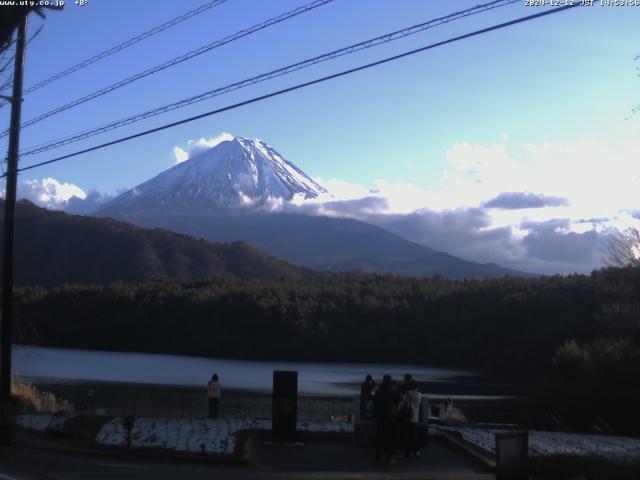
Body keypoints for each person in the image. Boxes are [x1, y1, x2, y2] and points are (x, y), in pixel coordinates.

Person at [373, 374, 400, 464]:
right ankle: (389, 457)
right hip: (390, 418)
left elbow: (374, 406)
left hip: (381, 418)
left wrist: (374, 416)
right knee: (390, 438)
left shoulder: (378, 392)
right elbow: (398, 400)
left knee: (379, 438)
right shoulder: (392, 392)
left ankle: (377, 457)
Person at [398, 379, 422, 459]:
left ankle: (407, 452)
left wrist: (398, 409)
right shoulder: (419, 395)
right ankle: (416, 451)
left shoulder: (407, 394)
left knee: (407, 436)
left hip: (407, 417)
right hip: (415, 418)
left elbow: (402, 404)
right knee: (414, 435)